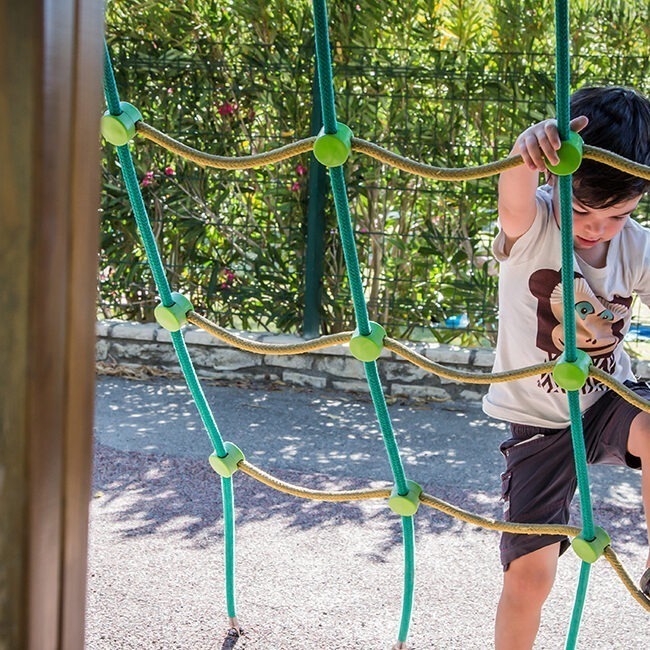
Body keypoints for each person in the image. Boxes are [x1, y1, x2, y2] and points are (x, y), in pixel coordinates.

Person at [482, 85, 650, 649]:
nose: (598, 227)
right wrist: (524, 152)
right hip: (539, 425)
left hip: (607, 398)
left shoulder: (635, 247)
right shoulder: (538, 229)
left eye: (619, 214)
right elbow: (513, 201)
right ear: (556, 179)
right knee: (530, 576)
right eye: (583, 208)